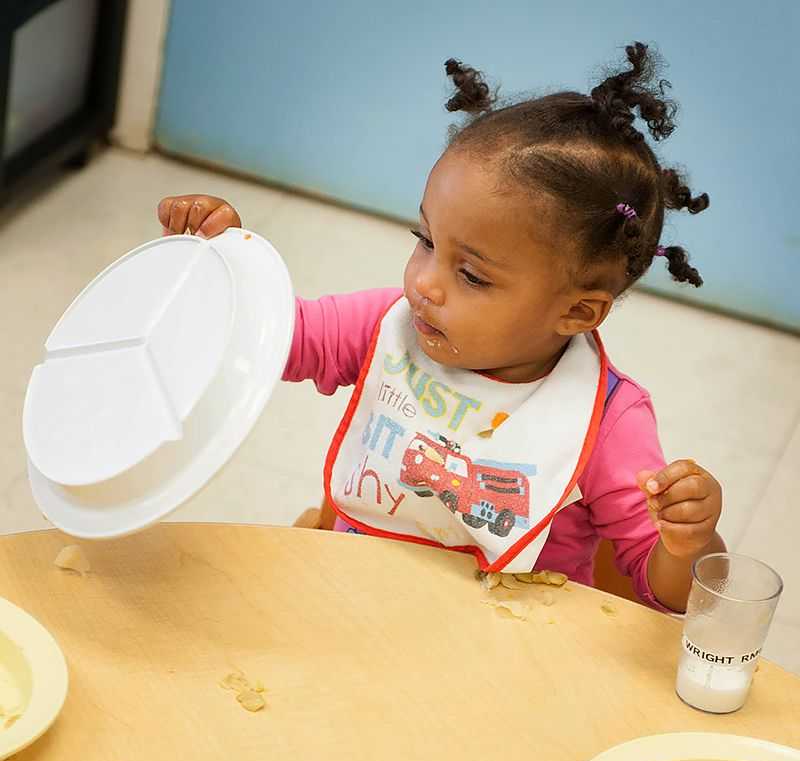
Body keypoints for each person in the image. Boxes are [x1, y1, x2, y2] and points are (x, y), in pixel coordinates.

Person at [157, 42, 723, 613]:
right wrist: (224, 262)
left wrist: (687, 544)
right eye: (425, 241)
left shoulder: (607, 421)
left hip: (508, 656)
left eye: (472, 275)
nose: (425, 284)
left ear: (576, 312)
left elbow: (668, 593)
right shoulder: (389, 325)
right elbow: (272, 336)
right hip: (355, 609)